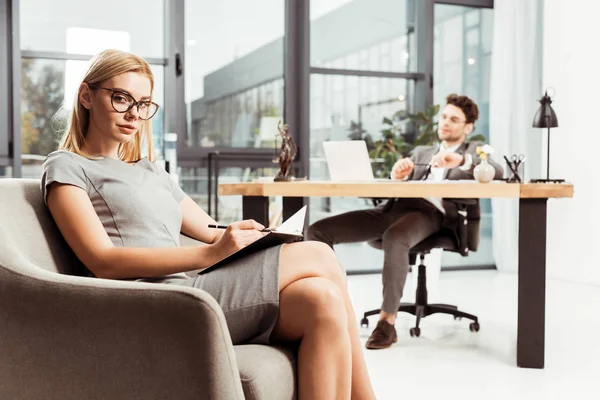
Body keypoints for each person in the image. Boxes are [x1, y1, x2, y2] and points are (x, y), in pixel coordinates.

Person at [40, 49, 375, 400]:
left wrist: (254, 235)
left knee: (323, 300)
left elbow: (211, 229)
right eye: (121, 98)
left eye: (143, 104)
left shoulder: (151, 171)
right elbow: (102, 261)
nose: (133, 114)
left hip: (193, 287)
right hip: (153, 301)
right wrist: (208, 255)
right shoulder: (67, 166)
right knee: (319, 253)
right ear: (86, 96)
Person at [307, 94, 503, 350]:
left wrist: (462, 161)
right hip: (394, 207)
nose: (445, 122)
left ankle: (386, 323)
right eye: (443, 117)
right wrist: (396, 175)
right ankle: (327, 310)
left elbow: (499, 171)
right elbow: (400, 181)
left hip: (430, 215)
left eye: (454, 119)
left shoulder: (472, 153)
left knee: (396, 236)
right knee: (318, 231)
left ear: (468, 127)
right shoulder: (422, 151)